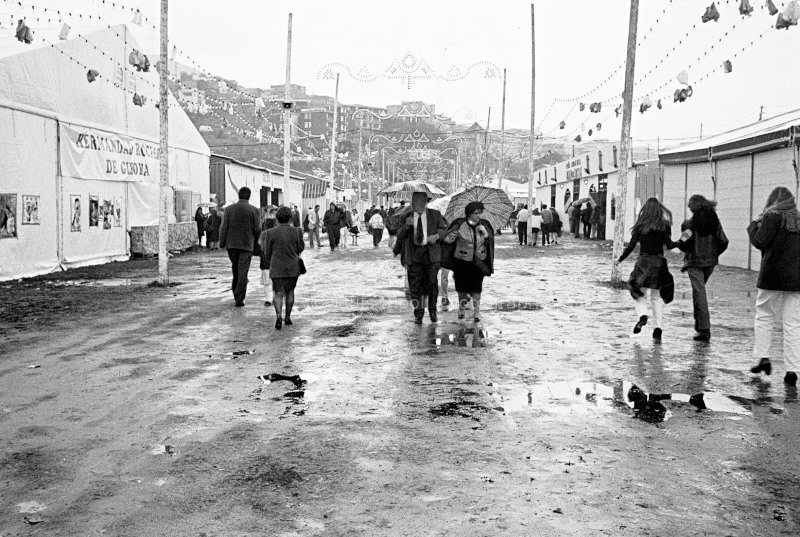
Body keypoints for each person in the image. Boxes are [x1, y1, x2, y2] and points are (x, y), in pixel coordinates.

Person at [747, 186, 800, 386]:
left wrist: (753, 226)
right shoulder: (798, 219)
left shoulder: (773, 216)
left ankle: (763, 358)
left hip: (772, 277)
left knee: (764, 315)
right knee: (793, 324)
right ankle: (792, 370)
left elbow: (760, 241)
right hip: (796, 280)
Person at [614, 197, 676, 340]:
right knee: (656, 297)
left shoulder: (640, 226)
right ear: (659, 210)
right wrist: (685, 238)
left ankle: (643, 315)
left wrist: (620, 260)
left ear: (645, 210)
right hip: (659, 264)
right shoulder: (664, 226)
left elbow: (630, 247)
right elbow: (670, 245)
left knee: (637, 292)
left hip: (643, 263)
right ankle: (658, 328)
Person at [676, 194, 729, 342]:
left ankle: (704, 329)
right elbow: (724, 241)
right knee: (698, 293)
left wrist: (681, 244)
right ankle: (699, 325)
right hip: (709, 263)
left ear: (693, 208)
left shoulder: (689, 225)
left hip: (694, 263)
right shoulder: (715, 223)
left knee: (700, 294)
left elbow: (683, 243)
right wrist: (713, 254)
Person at [396, 191, 447, 324]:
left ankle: (432, 311)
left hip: (431, 255)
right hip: (414, 255)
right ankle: (418, 312)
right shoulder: (406, 217)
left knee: (431, 284)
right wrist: (407, 226)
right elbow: (400, 236)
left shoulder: (435, 215)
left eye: (419, 203)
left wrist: (436, 236)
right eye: (414, 203)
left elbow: (444, 230)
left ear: (425, 203)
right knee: (415, 286)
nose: (416, 206)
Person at [443, 201, 495, 323]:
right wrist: (451, 233)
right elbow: (447, 240)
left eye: (480, 213)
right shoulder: (460, 225)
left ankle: (477, 312)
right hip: (461, 262)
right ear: (469, 214)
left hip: (478, 262)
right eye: (475, 213)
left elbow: (490, 244)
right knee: (462, 288)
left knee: (477, 288)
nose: (478, 215)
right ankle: (461, 309)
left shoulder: (484, 225)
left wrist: (486, 235)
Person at [261, 206, 305, 330]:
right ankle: (288, 317)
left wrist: (273, 259)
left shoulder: (270, 233)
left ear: (277, 218)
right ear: (290, 218)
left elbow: (267, 252)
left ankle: (278, 316)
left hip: (277, 267)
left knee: (278, 293)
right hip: (292, 266)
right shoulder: (297, 231)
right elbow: (300, 248)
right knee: (290, 291)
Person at [219, 187, 261, 307]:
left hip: (231, 245)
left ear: (239, 195)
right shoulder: (254, 210)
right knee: (243, 271)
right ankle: (239, 297)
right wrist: (257, 242)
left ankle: (235, 291)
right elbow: (257, 229)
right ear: (249, 196)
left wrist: (222, 242)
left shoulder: (229, 209)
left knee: (235, 268)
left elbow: (224, 227)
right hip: (247, 245)